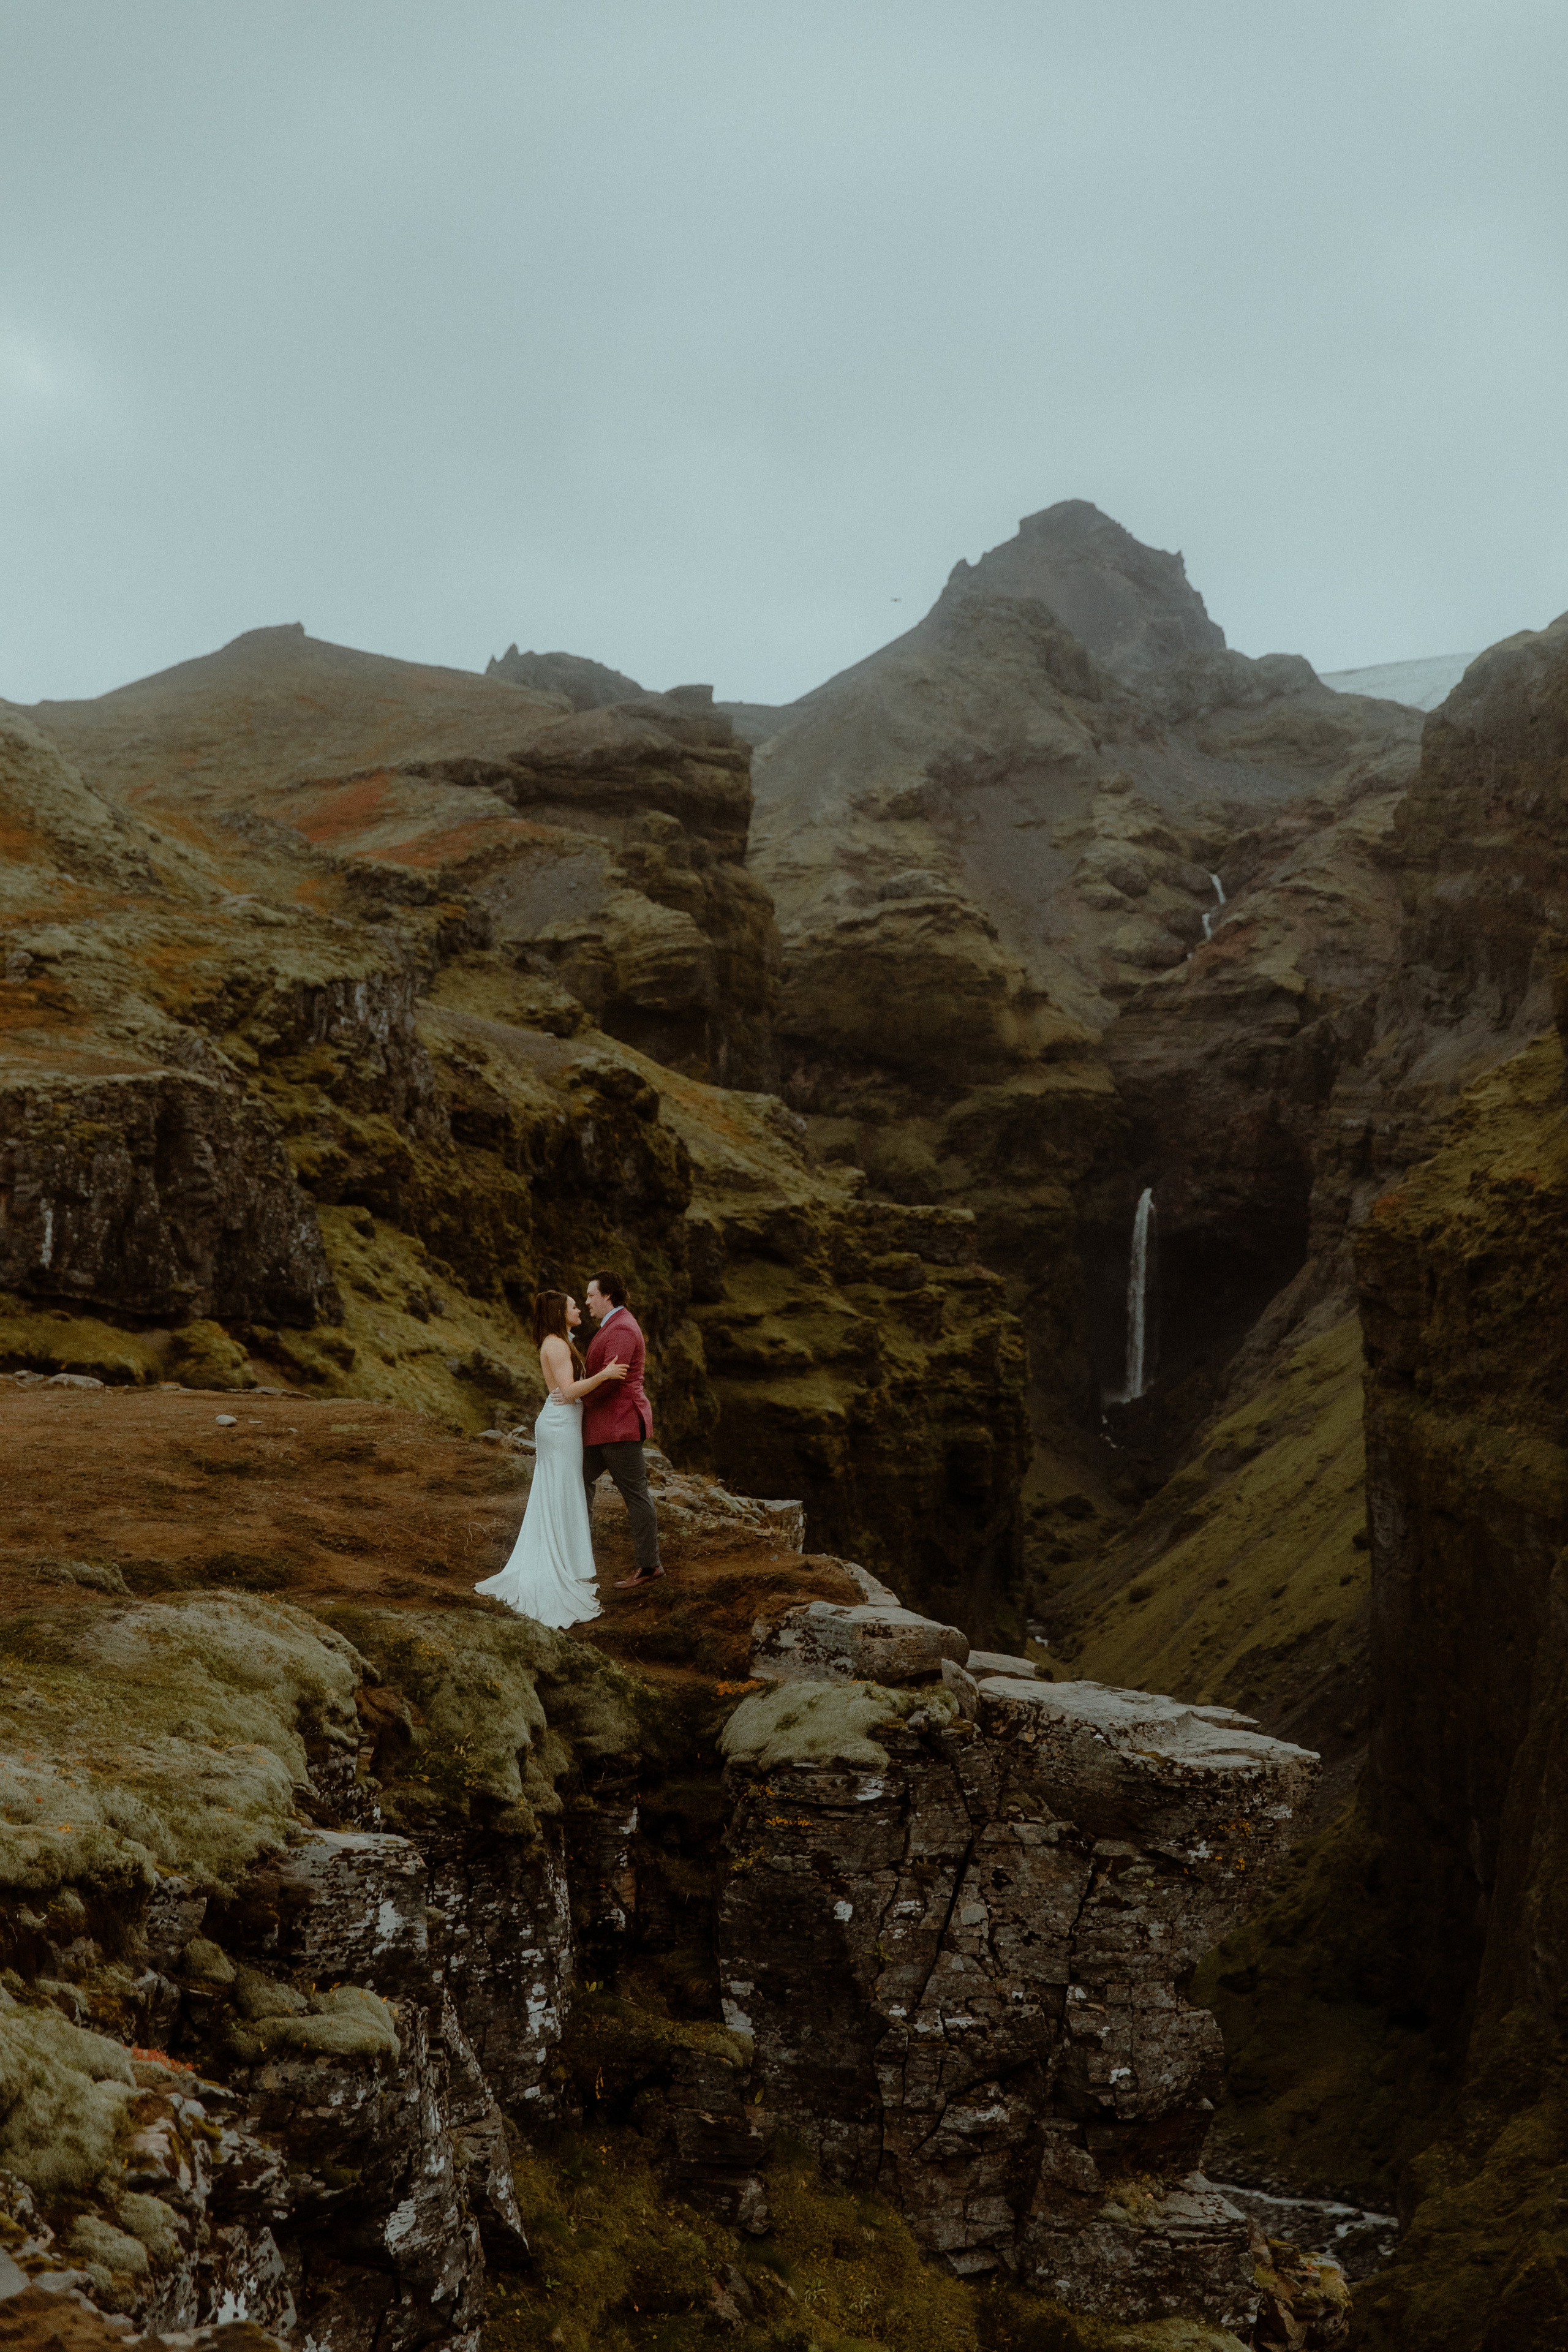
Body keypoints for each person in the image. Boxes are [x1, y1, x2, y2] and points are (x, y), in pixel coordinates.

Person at [474, 1289, 628, 1627]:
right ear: (561, 1312)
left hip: (563, 1426)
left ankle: (566, 1562)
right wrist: (604, 1376)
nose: (580, 1309)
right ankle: (558, 1567)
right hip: (560, 1428)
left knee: (560, 1492)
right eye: (574, 1306)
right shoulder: (556, 1345)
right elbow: (569, 1391)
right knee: (561, 1491)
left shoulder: (558, 1341)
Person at [581, 1272, 665, 1590]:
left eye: (591, 1295)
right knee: (578, 1479)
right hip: (605, 1427)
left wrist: (579, 1397)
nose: (587, 1301)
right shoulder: (614, 1325)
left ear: (608, 1295)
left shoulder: (623, 1328)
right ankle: (580, 1552)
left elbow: (611, 1378)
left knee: (635, 1494)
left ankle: (649, 1566)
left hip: (620, 1425)